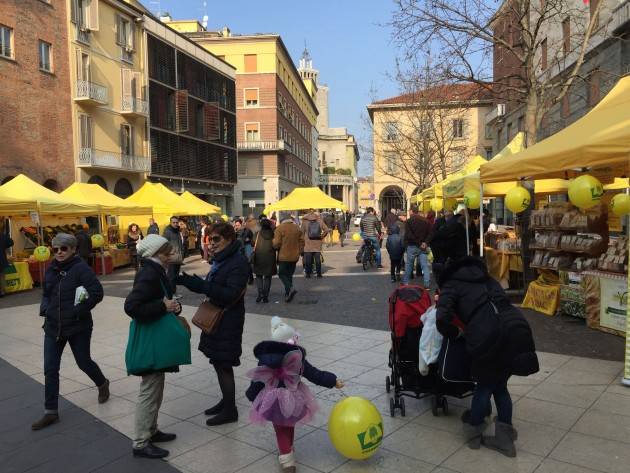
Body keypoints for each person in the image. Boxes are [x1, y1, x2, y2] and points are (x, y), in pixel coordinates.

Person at [246, 317, 344, 472]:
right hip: (294, 397)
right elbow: (315, 374)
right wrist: (333, 381)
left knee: (280, 428)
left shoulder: (265, 360)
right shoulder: (297, 359)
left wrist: (252, 394)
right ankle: (288, 450)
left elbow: (258, 379)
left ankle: (287, 460)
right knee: (289, 424)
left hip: (272, 400)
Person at [32, 233, 109, 431]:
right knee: (50, 369)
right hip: (53, 326)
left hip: (78, 326)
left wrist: (77, 311)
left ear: (73, 249)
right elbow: (47, 292)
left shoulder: (80, 268)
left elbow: (97, 292)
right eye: (55, 249)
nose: (58, 252)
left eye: (63, 249)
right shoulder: (52, 268)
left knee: (83, 362)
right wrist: (45, 309)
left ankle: (102, 383)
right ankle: (50, 412)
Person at [176, 223, 249, 426]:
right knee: (217, 361)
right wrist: (191, 282)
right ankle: (226, 402)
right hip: (219, 318)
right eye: (210, 239)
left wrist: (201, 286)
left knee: (224, 363)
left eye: (217, 239)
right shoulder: (221, 260)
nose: (212, 244)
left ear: (229, 239)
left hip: (228, 319)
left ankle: (230, 410)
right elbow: (214, 286)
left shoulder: (238, 263)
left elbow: (230, 294)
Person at [124, 235, 183, 459]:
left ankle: (151, 430)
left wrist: (170, 306)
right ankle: (140, 442)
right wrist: (162, 305)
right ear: (156, 253)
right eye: (167, 253)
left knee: (155, 386)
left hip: (155, 337)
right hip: (150, 340)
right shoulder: (149, 273)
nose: (170, 257)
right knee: (150, 390)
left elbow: (160, 301)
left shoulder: (153, 271)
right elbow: (132, 306)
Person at [273, 214, 304, 303]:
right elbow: (302, 241)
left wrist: (273, 244)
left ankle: (290, 288)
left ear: (282, 220)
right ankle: (288, 294)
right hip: (294, 256)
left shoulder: (279, 228)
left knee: (281, 273)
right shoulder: (297, 228)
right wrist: (299, 251)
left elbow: (276, 243)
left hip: (284, 256)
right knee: (289, 275)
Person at [402, 205, 432, 287]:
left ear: (411, 211)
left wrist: (419, 243)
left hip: (412, 246)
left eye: (409, 211)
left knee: (409, 265)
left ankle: (406, 283)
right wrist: (425, 243)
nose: (408, 212)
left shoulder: (409, 221)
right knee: (424, 265)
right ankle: (427, 284)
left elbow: (409, 235)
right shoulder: (426, 221)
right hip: (423, 246)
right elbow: (430, 234)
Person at [252, 218, 277, 303]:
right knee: (268, 277)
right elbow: (276, 245)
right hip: (270, 257)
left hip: (259, 257)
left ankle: (260, 294)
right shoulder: (273, 234)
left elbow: (252, 242)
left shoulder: (257, 234)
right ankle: (265, 295)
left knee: (258, 276)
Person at [300, 209, 329, 278]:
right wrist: (321, 237)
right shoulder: (319, 220)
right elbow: (327, 229)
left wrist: (302, 241)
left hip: (307, 243)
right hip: (317, 242)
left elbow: (301, 233)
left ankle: (308, 274)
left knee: (308, 260)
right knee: (317, 259)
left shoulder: (304, 222)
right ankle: (319, 274)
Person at [162, 217, 183, 285]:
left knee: (175, 275)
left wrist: (182, 252)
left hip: (178, 255)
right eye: (173, 222)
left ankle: (173, 292)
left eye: (176, 222)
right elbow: (164, 244)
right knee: (171, 275)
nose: (175, 224)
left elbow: (179, 243)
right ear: (170, 223)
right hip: (171, 256)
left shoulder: (177, 230)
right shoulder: (167, 231)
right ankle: (171, 293)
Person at [0, 220, 14, 298]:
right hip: (1, 259)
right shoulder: (2, 235)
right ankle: (2, 292)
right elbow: (11, 242)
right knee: (1, 276)